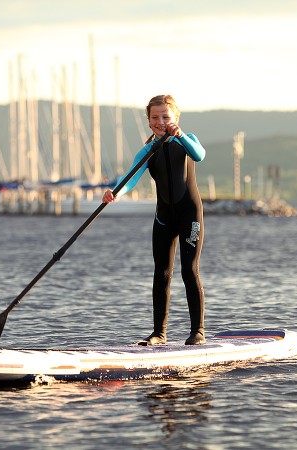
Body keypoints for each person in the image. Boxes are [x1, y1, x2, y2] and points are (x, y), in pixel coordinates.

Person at [102, 94, 207, 345]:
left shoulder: (187, 141)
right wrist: (114, 193)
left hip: (189, 216)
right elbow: (130, 178)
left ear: (176, 118)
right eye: (155, 117)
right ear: (149, 122)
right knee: (161, 273)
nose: (161, 121)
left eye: (166, 117)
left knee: (189, 270)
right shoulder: (147, 151)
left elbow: (200, 155)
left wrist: (179, 135)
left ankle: (198, 331)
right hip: (163, 218)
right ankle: (159, 333)